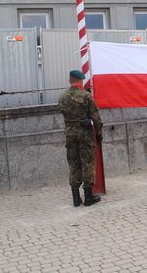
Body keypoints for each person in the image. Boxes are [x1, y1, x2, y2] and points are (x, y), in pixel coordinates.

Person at [58, 70, 104, 205]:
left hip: (70, 135)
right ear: (80, 81)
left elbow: (62, 112)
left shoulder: (62, 97)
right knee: (88, 163)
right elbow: (96, 118)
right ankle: (89, 197)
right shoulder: (86, 96)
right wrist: (99, 134)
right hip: (85, 135)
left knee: (74, 163)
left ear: (70, 81)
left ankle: (76, 198)